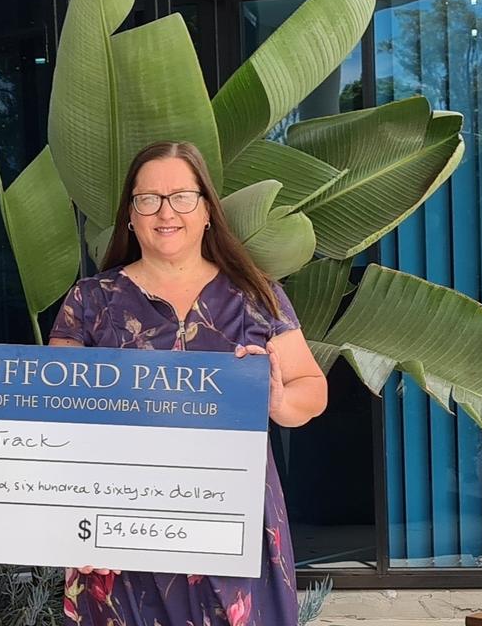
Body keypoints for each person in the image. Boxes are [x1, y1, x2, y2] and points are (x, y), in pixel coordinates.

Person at [49, 141, 328, 626]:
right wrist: (78, 528)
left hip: (233, 515)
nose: (165, 212)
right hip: (120, 519)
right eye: (148, 199)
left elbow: (312, 389)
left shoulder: (255, 294)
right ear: (130, 217)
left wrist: (279, 401)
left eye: (182, 196)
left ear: (206, 211)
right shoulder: (91, 301)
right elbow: (54, 417)